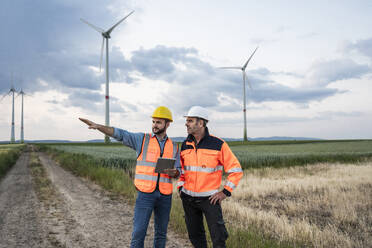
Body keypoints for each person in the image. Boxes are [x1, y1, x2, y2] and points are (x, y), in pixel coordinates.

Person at [79, 106, 181, 248]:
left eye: (158, 122)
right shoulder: (142, 140)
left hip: (165, 196)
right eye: (153, 122)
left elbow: (179, 171)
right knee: (139, 233)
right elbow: (120, 134)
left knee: (161, 234)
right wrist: (98, 127)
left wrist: (175, 173)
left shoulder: (174, 146)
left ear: (167, 124)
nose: (154, 125)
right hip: (145, 195)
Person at [177, 106, 243, 248]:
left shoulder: (218, 144)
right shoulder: (185, 145)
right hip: (188, 198)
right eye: (187, 120)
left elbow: (236, 170)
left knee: (218, 238)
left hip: (210, 200)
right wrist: (180, 188)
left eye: (190, 120)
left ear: (201, 123)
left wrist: (225, 192)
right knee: (195, 237)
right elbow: (182, 171)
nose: (186, 124)